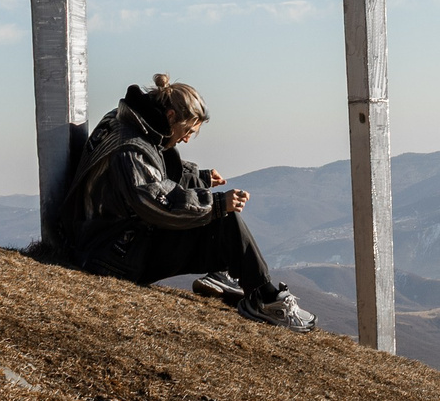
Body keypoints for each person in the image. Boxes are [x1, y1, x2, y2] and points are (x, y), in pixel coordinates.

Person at [62, 73, 316, 332]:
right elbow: (155, 201)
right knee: (223, 219)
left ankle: (225, 270)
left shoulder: (125, 121)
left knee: (216, 212)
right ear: (171, 116)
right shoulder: (131, 147)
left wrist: (200, 177)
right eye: (187, 131)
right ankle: (265, 299)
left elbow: (155, 169)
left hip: (102, 239)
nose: (186, 139)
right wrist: (217, 203)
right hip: (110, 256)